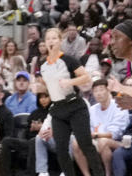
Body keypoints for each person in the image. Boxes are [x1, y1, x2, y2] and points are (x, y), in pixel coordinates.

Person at [35, 27, 104, 176]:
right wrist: (38, 86)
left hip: (75, 106)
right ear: (45, 43)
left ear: (60, 41)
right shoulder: (43, 66)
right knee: (61, 150)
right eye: (48, 39)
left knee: (85, 145)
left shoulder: (68, 59)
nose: (51, 41)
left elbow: (86, 77)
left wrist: (70, 82)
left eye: (54, 38)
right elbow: (49, 87)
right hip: (58, 109)